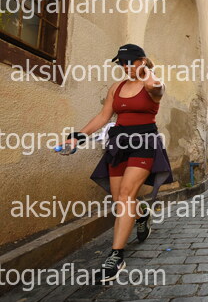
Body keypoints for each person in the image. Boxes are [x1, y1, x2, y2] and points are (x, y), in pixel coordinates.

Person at [63, 43, 173, 282]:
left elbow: (156, 87)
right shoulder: (117, 87)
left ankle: (116, 256)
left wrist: (146, 72)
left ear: (141, 61)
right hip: (119, 144)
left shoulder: (152, 84)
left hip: (144, 143)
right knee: (120, 199)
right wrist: (78, 136)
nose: (125, 66)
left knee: (125, 195)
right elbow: (104, 116)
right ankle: (141, 214)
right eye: (122, 63)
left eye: (130, 62)